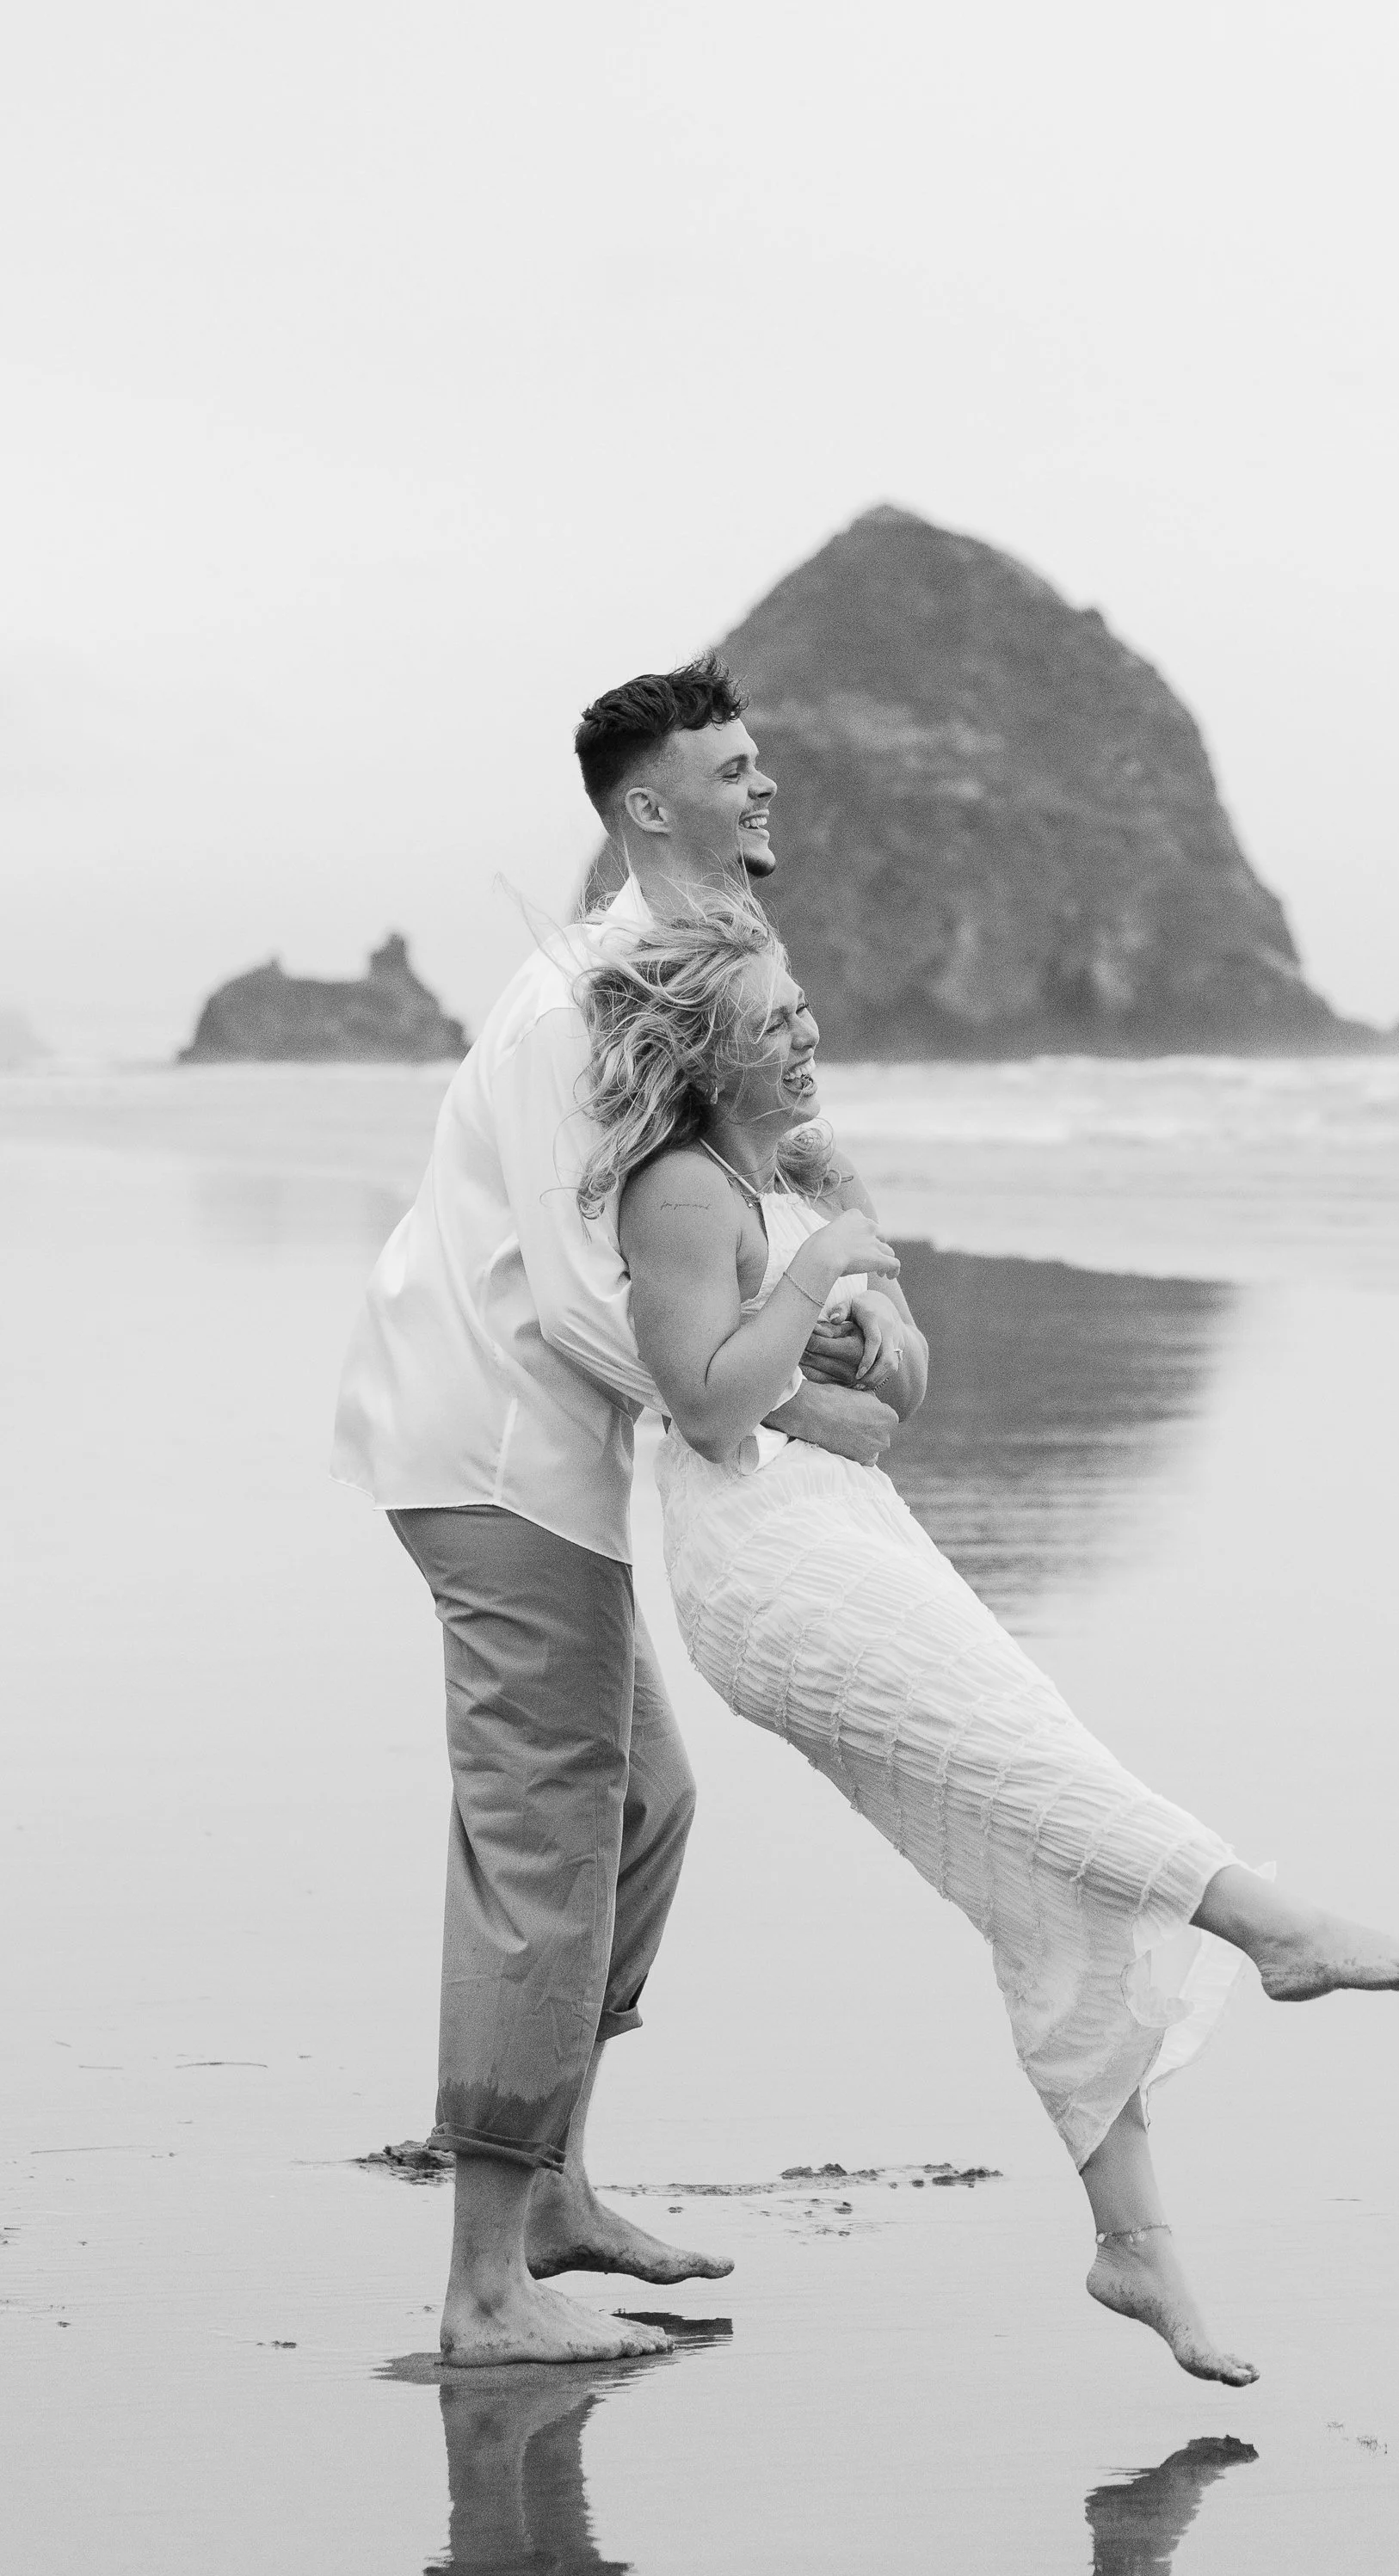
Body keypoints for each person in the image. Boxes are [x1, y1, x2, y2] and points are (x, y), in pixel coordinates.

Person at [592, 888, 1399, 2386]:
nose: (806, 1035)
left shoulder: (807, 1165)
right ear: (701, 1053)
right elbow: (703, 1406)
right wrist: (812, 1287)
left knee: (1036, 1844)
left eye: (801, 1006)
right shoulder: (682, 1193)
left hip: (858, 1526)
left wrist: (874, 1335)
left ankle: (1135, 2242)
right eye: (769, 1022)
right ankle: (1270, 1923)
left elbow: (896, 1397)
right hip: (763, 1566)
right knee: (1040, 1773)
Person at [333, 656, 889, 2368]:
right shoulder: (576, 1004)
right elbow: (589, 1292)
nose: (764, 786)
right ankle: (484, 2287)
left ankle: (554, 2183)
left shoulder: (671, 971)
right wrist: (771, 1391)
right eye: (733, 768)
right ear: (649, 805)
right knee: (549, 1840)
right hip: (498, 1451)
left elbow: (679, 1237)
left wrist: (795, 1314)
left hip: (530, 1453)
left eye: (761, 760)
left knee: (643, 1805)